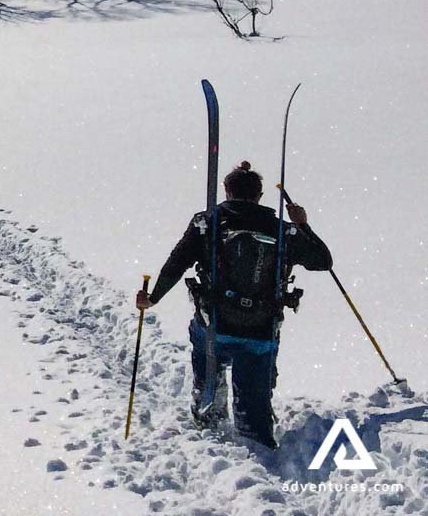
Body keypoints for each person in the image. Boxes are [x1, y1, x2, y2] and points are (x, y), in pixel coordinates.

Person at [135, 160, 332, 449]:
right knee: (254, 395)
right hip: (261, 329)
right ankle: (256, 436)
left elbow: (176, 264)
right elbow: (323, 261)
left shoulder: (207, 223)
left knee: (203, 344)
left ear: (227, 191)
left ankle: (209, 410)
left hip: (216, 324)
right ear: (259, 196)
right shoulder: (281, 230)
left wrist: (152, 298)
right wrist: (302, 225)